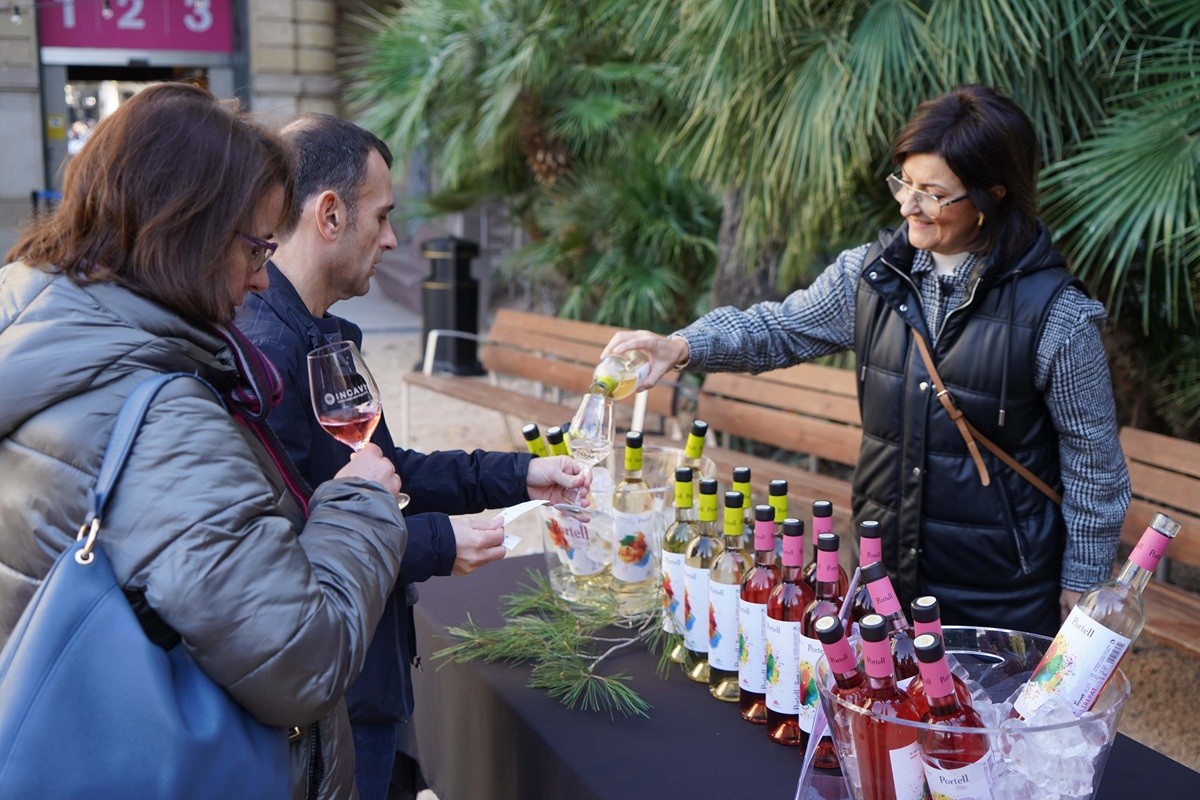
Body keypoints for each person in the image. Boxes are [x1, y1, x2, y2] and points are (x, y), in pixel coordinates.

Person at [604, 85, 1131, 637]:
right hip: (883, 578)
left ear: (991, 195)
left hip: (1000, 599)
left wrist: (1082, 583)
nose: (907, 206)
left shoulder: (1059, 318)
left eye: (933, 193)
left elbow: (1095, 467)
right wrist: (682, 346)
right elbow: (780, 328)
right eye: (904, 182)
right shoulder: (872, 277)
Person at [0, 83, 406, 799]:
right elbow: (301, 659)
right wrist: (361, 508)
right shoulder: (162, 418)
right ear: (185, 233)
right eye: (255, 247)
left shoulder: (33, 325)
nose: (260, 277)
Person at [234, 113, 589, 800]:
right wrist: (438, 543)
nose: (393, 238)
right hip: (332, 697)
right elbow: (289, 553)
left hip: (373, 675)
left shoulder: (320, 337)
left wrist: (519, 474)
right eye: (384, 216)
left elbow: (394, 474)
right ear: (330, 215)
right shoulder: (268, 357)